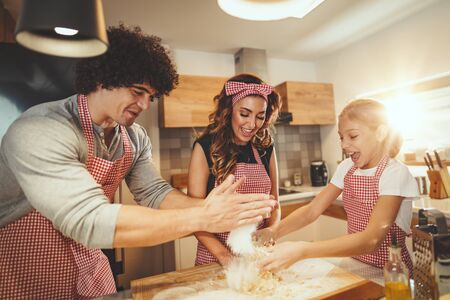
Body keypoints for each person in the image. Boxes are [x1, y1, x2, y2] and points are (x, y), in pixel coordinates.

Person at [0, 25, 276, 299]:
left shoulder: (133, 138)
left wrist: (223, 209)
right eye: (137, 91)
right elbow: (88, 219)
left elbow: (155, 193)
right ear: (102, 79)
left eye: (151, 96)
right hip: (25, 269)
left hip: (88, 266)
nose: (146, 106)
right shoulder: (41, 129)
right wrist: (203, 215)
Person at [255, 99, 419, 274]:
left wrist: (302, 250)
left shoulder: (394, 173)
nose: (344, 145)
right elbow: (311, 211)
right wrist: (273, 231)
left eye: (353, 136)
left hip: (392, 273)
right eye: (341, 137)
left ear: (380, 133)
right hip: (356, 264)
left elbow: (371, 240)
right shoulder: (346, 167)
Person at [188, 73, 282, 266]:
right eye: (244, 114)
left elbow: (275, 203)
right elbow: (193, 215)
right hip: (214, 259)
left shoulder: (265, 147)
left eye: (260, 117)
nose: (252, 124)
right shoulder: (205, 147)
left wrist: (271, 232)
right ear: (229, 110)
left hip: (257, 256)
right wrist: (225, 257)